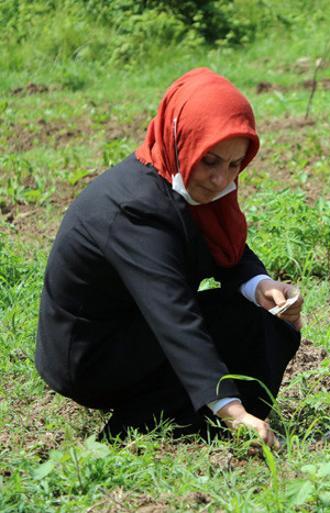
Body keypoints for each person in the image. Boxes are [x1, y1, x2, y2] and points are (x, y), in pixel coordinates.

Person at [35, 68, 302, 445]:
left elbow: (224, 247)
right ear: (181, 138)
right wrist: (232, 411)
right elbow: (175, 317)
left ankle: (191, 409)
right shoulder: (136, 209)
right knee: (227, 326)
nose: (221, 179)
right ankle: (146, 420)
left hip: (131, 325)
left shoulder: (179, 179)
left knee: (256, 319)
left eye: (234, 164)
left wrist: (261, 285)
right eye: (210, 160)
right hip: (90, 356)